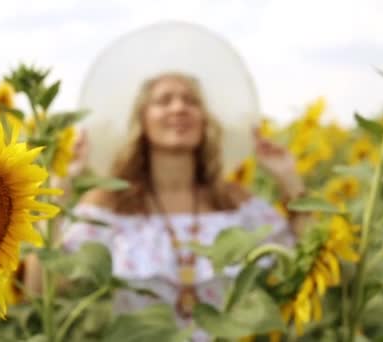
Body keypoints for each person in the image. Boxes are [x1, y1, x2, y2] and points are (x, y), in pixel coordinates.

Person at [25, 72, 305, 329]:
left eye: (191, 101)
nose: (179, 108)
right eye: (164, 100)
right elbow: (42, 290)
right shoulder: (109, 203)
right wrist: (60, 186)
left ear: (204, 120)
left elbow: (300, 262)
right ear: (142, 119)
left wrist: (288, 177)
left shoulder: (233, 199)